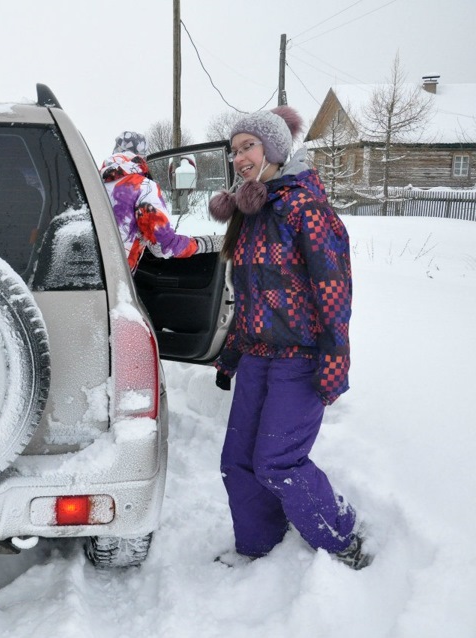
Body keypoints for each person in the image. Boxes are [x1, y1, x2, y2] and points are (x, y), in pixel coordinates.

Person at [208, 106, 371, 570]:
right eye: (235, 150)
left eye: (248, 147)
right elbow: (251, 299)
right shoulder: (252, 213)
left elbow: (334, 289)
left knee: (277, 461)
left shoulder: (306, 209)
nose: (239, 158)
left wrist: (336, 356)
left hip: (301, 360)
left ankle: (342, 537)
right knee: (237, 461)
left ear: (274, 150)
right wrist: (231, 356)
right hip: (258, 357)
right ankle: (259, 547)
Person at [101, 131, 221, 272]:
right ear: (142, 155)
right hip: (115, 279)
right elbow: (163, 245)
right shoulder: (143, 187)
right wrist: (205, 244)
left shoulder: (93, 182)